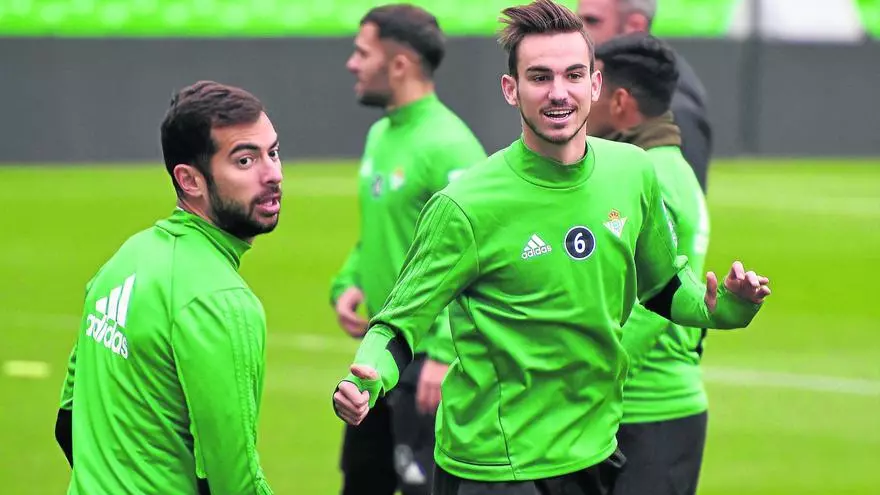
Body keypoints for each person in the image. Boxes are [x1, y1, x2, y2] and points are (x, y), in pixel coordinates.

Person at [332, 1, 770, 494]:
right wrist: (365, 380)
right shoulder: (465, 205)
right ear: (511, 89)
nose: (558, 92)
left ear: (595, 85)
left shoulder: (633, 173)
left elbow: (665, 289)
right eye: (539, 77)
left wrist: (728, 307)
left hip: (593, 455)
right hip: (496, 468)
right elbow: (398, 324)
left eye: (573, 75)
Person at [54, 81, 280, 495]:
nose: (273, 175)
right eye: (246, 160)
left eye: (274, 152)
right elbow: (234, 480)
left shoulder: (125, 259)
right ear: (190, 180)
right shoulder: (220, 301)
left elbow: (67, 419)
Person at [331, 4, 487, 495]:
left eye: (362, 53)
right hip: (377, 356)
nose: (352, 64)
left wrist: (443, 352)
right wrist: (351, 280)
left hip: (427, 367)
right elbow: (380, 230)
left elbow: (478, 258)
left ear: (399, 64)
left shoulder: (451, 147)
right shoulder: (381, 133)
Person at [587, 33, 711, 495]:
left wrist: (590, 379)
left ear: (620, 101)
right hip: (639, 410)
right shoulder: (667, 167)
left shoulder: (655, 175)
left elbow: (653, 302)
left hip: (648, 410)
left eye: (592, 85)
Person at [577, 0, 713, 192]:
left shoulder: (675, 109)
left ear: (635, 25)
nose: (579, 33)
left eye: (592, 21)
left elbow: (679, 202)